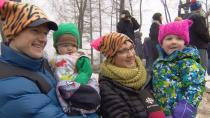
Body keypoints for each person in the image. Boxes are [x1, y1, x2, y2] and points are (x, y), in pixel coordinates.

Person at [0, 1, 83, 118]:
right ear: (14, 32)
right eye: (35, 31)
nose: (43, 39)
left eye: (45, 33)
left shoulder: (41, 64)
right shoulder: (10, 84)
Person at [91, 32, 165, 118]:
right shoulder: (107, 86)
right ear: (111, 57)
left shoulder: (145, 75)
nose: (131, 54)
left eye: (131, 48)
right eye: (123, 51)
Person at [152, 19, 205, 118]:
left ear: (184, 42)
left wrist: (186, 108)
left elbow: (195, 86)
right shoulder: (158, 63)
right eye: (169, 38)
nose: (174, 42)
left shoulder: (188, 62)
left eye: (179, 38)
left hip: (181, 113)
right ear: (161, 43)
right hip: (162, 112)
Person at [52, 22, 100, 117]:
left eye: (73, 45)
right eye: (65, 45)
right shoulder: (53, 59)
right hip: (62, 87)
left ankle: (85, 108)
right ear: (57, 47)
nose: (70, 48)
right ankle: (70, 107)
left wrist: (79, 82)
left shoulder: (79, 57)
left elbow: (86, 71)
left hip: (77, 84)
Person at [187, 0, 210, 70]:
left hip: (190, 46)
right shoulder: (199, 17)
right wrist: (208, 39)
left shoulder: (187, 17)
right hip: (200, 46)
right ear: (199, 8)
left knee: (193, 68)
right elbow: (202, 32)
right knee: (202, 68)